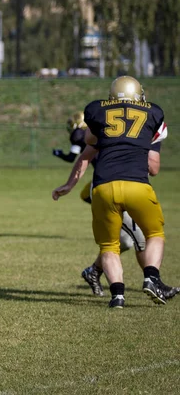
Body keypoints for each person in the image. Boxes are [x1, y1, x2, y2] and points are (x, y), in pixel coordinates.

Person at [52, 76, 170, 308]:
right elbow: (154, 167)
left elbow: (88, 142)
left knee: (109, 246)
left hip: (103, 187)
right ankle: (152, 278)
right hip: (137, 185)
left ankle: (117, 296)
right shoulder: (152, 113)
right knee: (154, 234)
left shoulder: (97, 110)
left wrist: (68, 185)